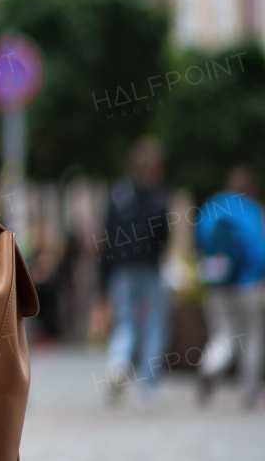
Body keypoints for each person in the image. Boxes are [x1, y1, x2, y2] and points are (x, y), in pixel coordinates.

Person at [99, 136, 170, 404]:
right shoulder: (158, 196)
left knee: (125, 322)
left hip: (120, 269)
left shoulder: (118, 194)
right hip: (149, 268)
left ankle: (117, 364)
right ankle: (147, 386)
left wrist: (103, 278)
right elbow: (163, 235)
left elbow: (107, 236)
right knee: (154, 324)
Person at [196, 165, 265, 408]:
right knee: (252, 338)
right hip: (249, 284)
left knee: (223, 333)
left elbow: (201, 242)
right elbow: (260, 251)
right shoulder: (253, 209)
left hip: (217, 282)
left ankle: (210, 365)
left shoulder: (213, 206)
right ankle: (249, 391)